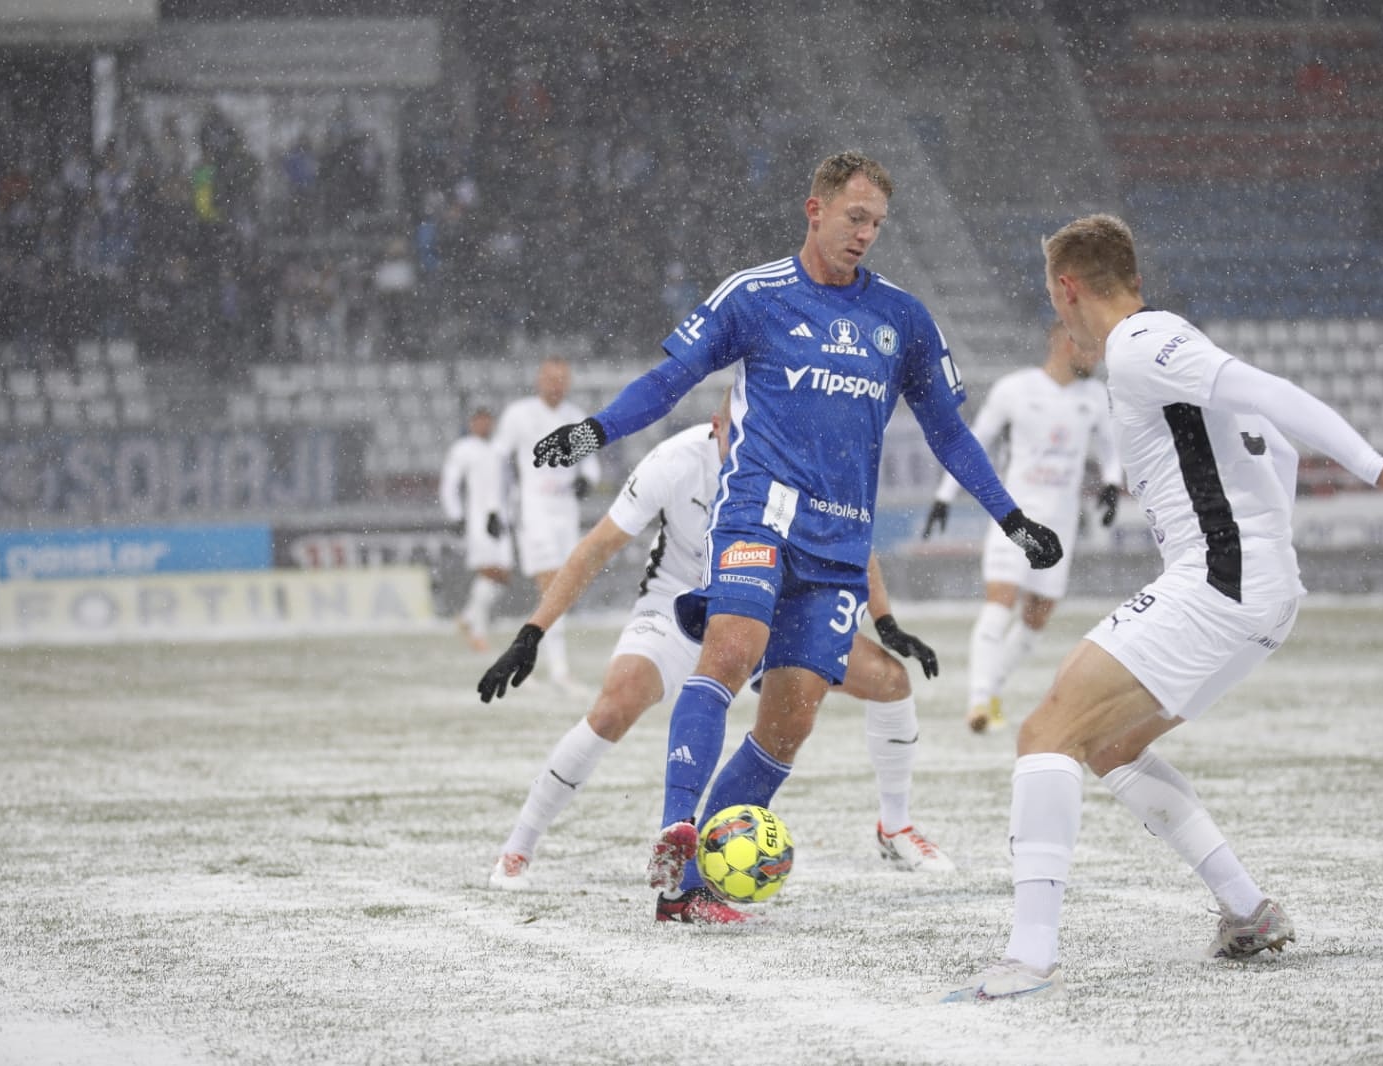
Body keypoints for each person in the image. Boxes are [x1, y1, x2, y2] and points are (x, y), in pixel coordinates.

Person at [528, 151, 1063, 923]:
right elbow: (668, 381)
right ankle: (678, 827)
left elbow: (950, 432)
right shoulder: (756, 296)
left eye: (876, 223)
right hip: (759, 511)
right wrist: (593, 431)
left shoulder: (902, 320)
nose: (865, 234)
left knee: (788, 723)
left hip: (841, 542)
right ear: (814, 210)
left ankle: (691, 890)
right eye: (854, 217)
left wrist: (1011, 516)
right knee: (730, 648)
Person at [944, 214, 1383, 1003]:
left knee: (1048, 732)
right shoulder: (1171, 352)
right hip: (1257, 590)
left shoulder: (1144, 344)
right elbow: (1269, 441)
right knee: (1108, 746)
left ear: (1066, 290)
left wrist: (1375, 467)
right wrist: (1270, 550)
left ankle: (1029, 956)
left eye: (1053, 297)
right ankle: (1247, 911)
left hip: (1220, 581)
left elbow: (1274, 396)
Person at [479, 395, 953, 912]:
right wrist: (531, 633)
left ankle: (895, 826)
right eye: (740, 433)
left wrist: (885, 622)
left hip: (770, 610)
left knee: (890, 681)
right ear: (717, 427)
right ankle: (518, 848)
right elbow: (596, 548)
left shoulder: (798, 457)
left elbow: (852, 541)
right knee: (615, 704)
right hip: (680, 603)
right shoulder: (674, 462)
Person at [921, 320, 1123, 733]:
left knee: (1036, 619)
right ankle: (978, 702)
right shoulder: (1014, 390)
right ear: (1062, 339)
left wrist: (1112, 484)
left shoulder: (1095, 397)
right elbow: (973, 442)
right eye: (1089, 346)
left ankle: (991, 688)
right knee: (1001, 600)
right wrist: (944, 496)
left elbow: (1110, 447)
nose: (1096, 356)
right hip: (1014, 517)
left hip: (1062, 522)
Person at [491, 356, 601, 689]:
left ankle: (525, 660)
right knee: (553, 585)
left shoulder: (575, 417)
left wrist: (587, 481)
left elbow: (590, 465)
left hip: (565, 510)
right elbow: (498, 459)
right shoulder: (519, 415)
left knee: (561, 588)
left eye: (562, 379)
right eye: (551, 378)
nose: (557, 385)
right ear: (540, 380)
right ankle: (558, 669)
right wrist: (495, 507)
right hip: (534, 508)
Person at [438, 407, 511, 651]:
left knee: (503, 574)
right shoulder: (463, 449)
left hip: (501, 519)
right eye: (479, 421)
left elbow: (507, 484)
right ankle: (478, 632)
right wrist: (456, 515)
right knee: (489, 571)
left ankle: (469, 618)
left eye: (488, 421)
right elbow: (450, 484)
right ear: (471, 423)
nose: (484, 426)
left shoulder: (499, 448)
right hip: (478, 519)